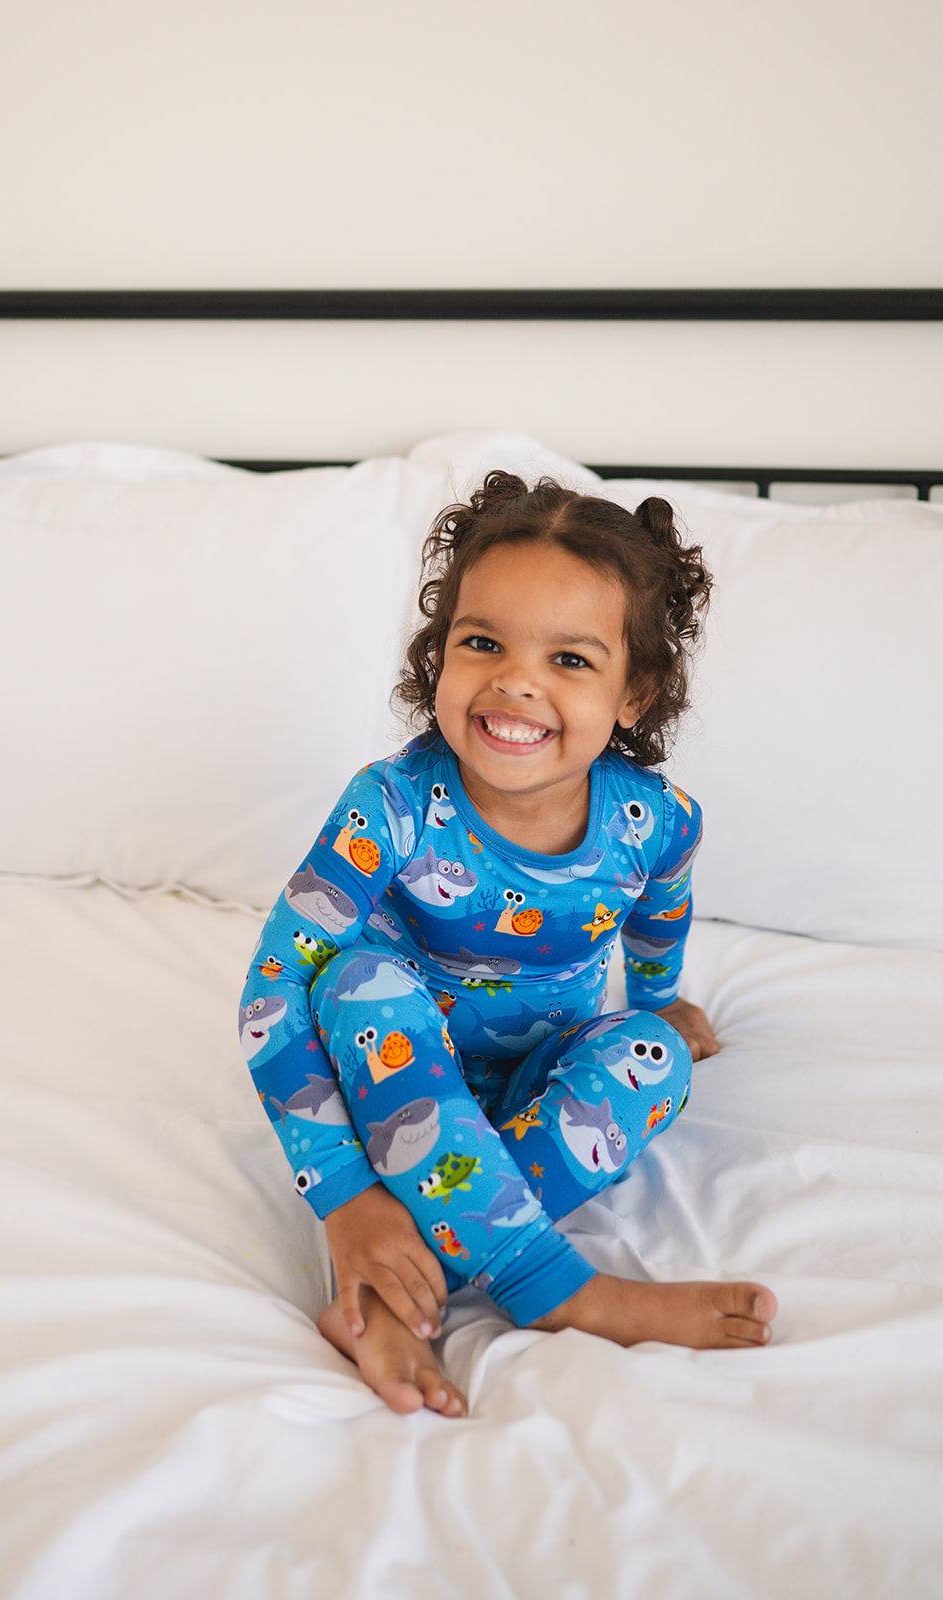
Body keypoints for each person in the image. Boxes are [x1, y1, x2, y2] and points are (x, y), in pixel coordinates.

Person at [238, 469, 778, 1418]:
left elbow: (661, 913)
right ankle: (557, 1289)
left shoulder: (658, 821)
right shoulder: (391, 806)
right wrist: (348, 1202)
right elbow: (274, 994)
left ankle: (391, 1286)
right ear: (438, 656)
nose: (516, 680)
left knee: (655, 1061)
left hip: (538, 1077)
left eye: (571, 660)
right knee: (357, 980)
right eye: (481, 641)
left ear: (635, 695)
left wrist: (658, 1001)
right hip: (390, 1073)